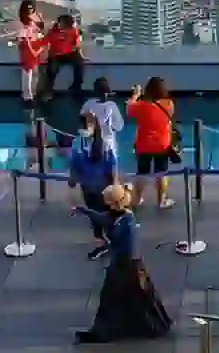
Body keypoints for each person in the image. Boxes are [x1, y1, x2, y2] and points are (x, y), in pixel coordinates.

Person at [74, 185, 173, 343]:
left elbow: (129, 246)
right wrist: (84, 211)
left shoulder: (127, 222)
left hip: (127, 264)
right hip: (126, 263)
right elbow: (101, 217)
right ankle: (155, 325)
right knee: (140, 296)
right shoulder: (116, 216)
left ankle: (103, 332)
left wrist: (114, 251)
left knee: (117, 297)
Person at [69, 109, 118, 260]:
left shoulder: (106, 143)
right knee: (93, 216)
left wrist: (115, 185)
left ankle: (114, 242)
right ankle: (100, 244)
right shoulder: (77, 142)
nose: (83, 129)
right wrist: (73, 179)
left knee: (108, 215)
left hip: (104, 186)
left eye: (87, 126)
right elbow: (74, 162)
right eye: (82, 126)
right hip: (87, 186)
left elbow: (113, 165)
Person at [126, 77, 177, 211]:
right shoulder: (169, 104)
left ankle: (137, 198)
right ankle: (161, 200)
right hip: (162, 144)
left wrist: (136, 94)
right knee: (161, 173)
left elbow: (129, 110)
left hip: (144, 144)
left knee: (142, 172)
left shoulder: (141, 106)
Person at [81, 77, 125, 158]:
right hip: (108, 147)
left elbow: (82, 127)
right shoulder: (111, 106)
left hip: (91, 148)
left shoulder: (88, 105)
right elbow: (119, 126)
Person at [44, 13, 86, 96]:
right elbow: (44, 42)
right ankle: (48, 90)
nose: (60, 24)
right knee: (52, 70)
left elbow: (77, 45)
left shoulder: (74, 31)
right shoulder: (52, 32)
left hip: (69, 54)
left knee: (80, 64)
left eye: (63, 23)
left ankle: (76, 86)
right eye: (60, 22)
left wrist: (82, 56)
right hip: (56, 55)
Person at [17, 0, 49, 105]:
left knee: (32, 73)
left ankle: (29, 95)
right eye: (28, 8)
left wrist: (39, 17)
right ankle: (27, 97)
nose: (30, 11)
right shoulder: (23, 25)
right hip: (28, 49)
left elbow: (41, 27)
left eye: (32, 8)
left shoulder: (33, 22)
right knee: (27, 73)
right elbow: (22, 40)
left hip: (33, 48)